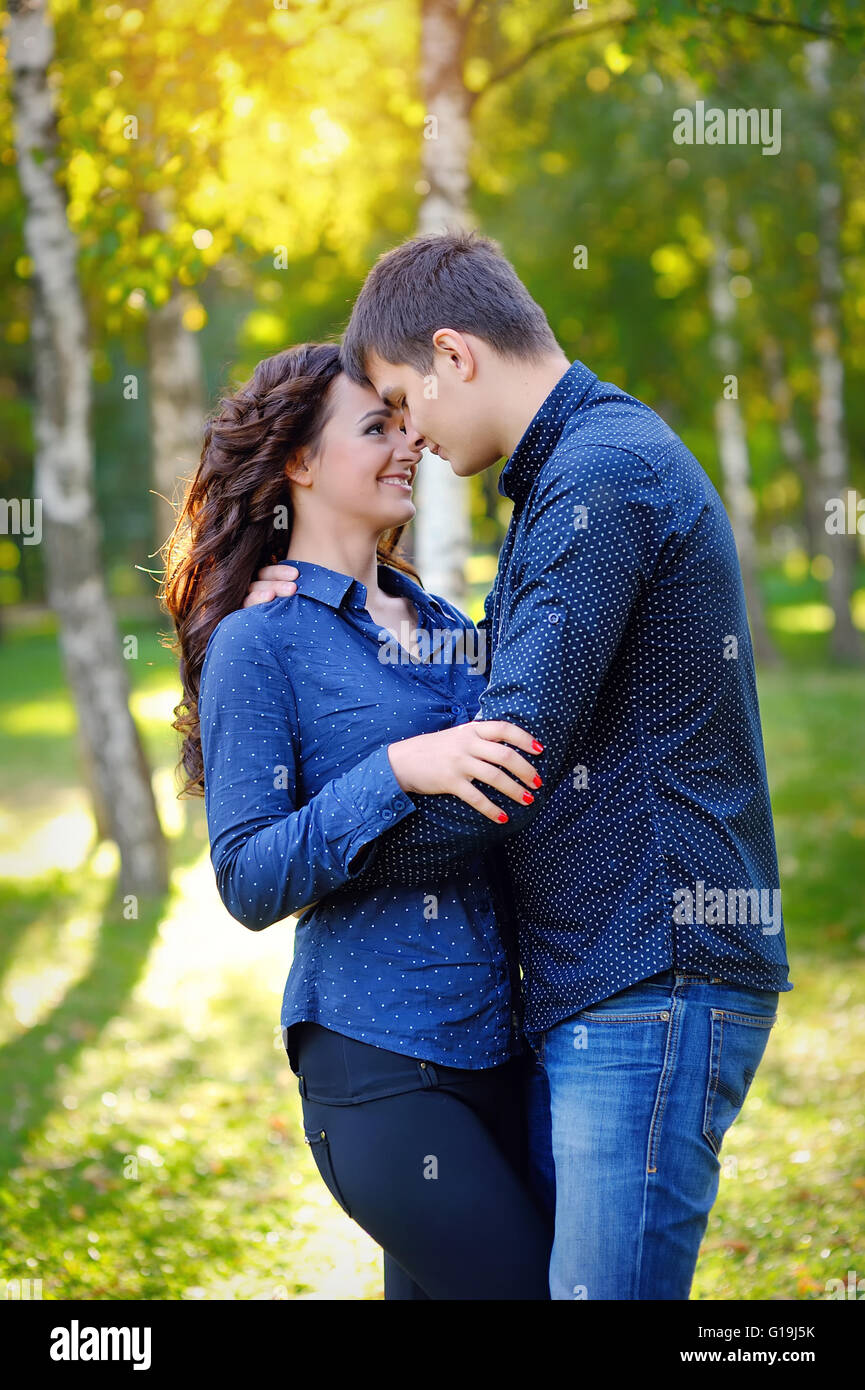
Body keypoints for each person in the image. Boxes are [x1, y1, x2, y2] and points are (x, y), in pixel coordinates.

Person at [244, 229, 793, 1301]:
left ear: (454, 354)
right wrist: (321, 606)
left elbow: (506, 761)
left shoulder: (601, 477)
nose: (410, 437)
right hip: (603, 979)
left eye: (404, 401)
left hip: (651, 970)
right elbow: (497, 688)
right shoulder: (572, 477)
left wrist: (322, 858)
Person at [160, 340, 554, 1300]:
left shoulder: (456, 629)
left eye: (404, 421)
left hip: (506, 1050)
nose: (408, 440)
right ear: (297, 462)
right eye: (375, 426)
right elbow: (248, 878)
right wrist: (394, 770)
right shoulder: (261, 642)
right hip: (378, 1067)